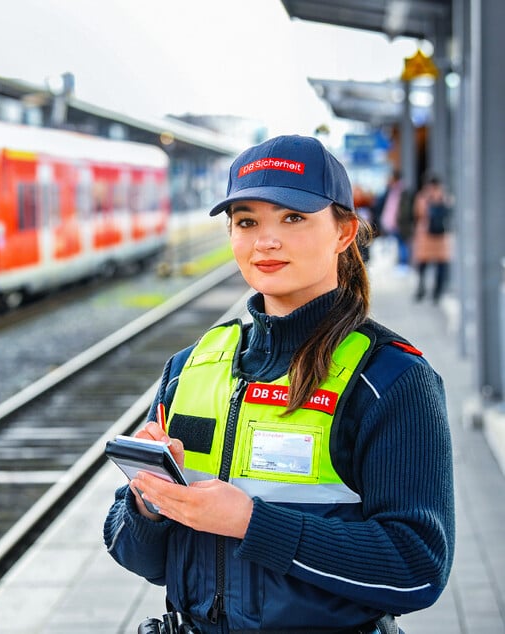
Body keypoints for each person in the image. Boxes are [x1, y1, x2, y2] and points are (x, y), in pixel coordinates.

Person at [103, 135, 454, 633]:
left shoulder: (391, 380)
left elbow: (418, 567)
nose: (266, 240)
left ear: (344, 231)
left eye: (293, 218)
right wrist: (149, 503)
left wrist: (252, 523)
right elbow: (140, 557)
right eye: (247, 221)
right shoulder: (191, 367)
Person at [411, 172, 453, 303]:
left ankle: (421, 288)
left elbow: (417, 213)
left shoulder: (423, 197)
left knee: (423, 264)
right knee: (441, 265)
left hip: (425, 234)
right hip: (441, 236)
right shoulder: (445, 197)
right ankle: (437, 292)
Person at [372, 168, 413, 269]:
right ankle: (396, 266)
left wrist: (400, 221)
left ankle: (403, 266)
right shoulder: (390, 190)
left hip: (399, 224)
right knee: (393, 245)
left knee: (401, 245)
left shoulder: (403, 191)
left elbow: (405, 210)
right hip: (390, 224)